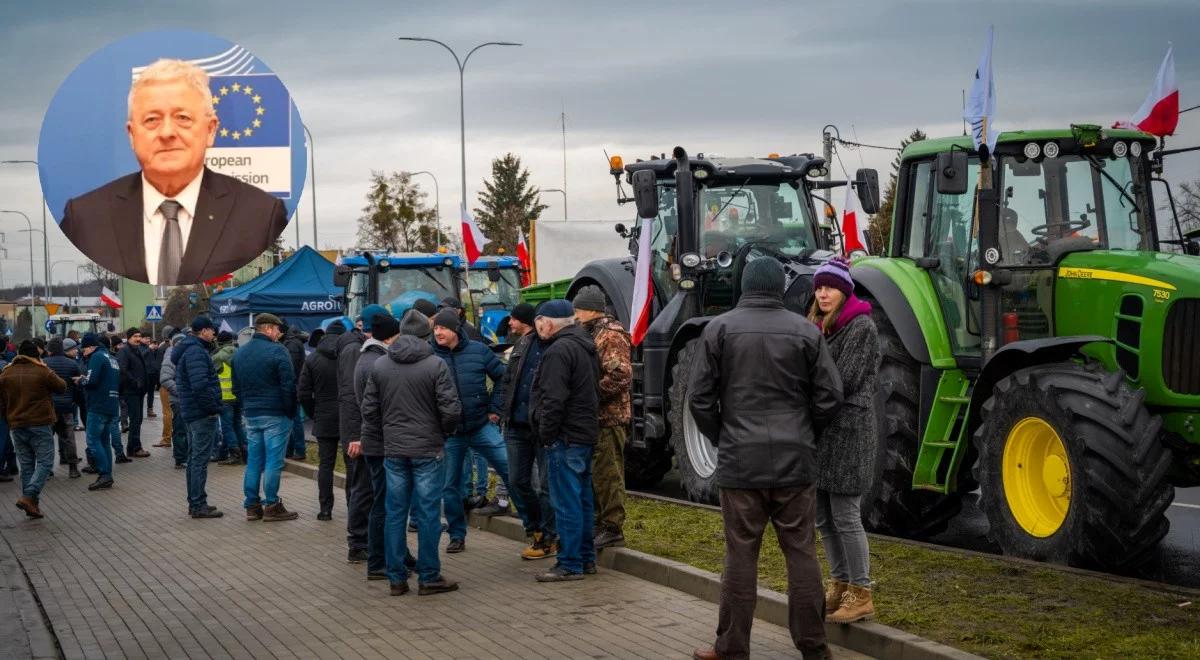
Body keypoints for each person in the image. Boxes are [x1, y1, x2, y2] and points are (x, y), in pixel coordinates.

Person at [688, 257, 844, 660]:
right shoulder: (806, 331)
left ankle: (732, 647)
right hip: (796, 462)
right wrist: (806, 433)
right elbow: (830, 395)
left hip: (741, 464)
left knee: (740, 555)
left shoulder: (718, 328)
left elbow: (699, 398)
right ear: (780, 288)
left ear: (744, 285)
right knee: (802, 553)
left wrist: (722, 435)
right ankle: (814, 646)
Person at [59, 58, 289, 285]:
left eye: (183, 118)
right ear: (131, 135)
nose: (167, 132)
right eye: (152, 119)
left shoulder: (260, 216)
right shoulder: (84, 218)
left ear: (210, 130)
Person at [360, 310, 462, 596]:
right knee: (428, 514)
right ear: (425, 335)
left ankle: (396, 578)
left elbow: (369, 411)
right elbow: (451, 409)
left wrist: (386, 437)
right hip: (428, 449)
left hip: (393, 451)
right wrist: (443, 433)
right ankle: (429, 576)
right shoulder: (435, 364)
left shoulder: (381, 365)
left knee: (395, 513)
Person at [807, 258, 880, 624]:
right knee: (823, 517)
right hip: (822, 434)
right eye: (819, 287)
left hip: (848, 433)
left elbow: (843, 380)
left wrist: (803, 389)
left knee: (847, 516)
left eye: (830, 287)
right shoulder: (818, 326)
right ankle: (839, 583)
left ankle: (861, 591)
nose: (822, 293)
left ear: (844, 291)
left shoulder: (860, 327)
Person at [431, 307, 520, 554]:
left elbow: (503, 377)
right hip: (450, 434)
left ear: (455, 330)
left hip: (481, 425)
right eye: (436, 327)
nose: (438, 332)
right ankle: (457, 535)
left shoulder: (478, 351)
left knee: (510, 471)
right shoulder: (430, 356)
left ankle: (534, 526)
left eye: (443, 328)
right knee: (450, 486)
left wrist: (495, 408)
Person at [529, 300, 600, 582]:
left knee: (567, 503)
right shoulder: (585, 345)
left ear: (547, 322)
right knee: (582, 500)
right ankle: (585, 558)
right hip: (583, 434)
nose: (537, 327)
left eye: (538, 321)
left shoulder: (558, 350)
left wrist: (546, 435)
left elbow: (553, 399)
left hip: (564, 437)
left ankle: (569, 563)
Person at [571, 285, 632, 550]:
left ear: (591, 310)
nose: (575, 314)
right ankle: (599, 522)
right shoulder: (590, 333)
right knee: (596, 474)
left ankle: (612, 526)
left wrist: (590, 395)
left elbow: (620, 376)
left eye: (578, 309)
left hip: (610, 416)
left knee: (609, 474)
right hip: (595, 417)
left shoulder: (611, 335)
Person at [498, 302, 557, 559]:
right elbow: (508, 379)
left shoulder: (557, 345)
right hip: (516, 424)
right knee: (517, 481)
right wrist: (503, 412)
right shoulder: (523, 343)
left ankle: (548, 536)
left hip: (542, 427)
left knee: (546, 485)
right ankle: (534, 527)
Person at [232, 313, 298, 522]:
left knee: (254, 461)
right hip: (275, 413)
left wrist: (246, 406)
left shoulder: (240, 353)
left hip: (251, 414)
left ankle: (252, 505)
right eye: (278, 329)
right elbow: (288, 385)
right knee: (273, 462)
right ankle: (271, 504)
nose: (280, 333)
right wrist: (289, 411)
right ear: (268, 328)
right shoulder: (278, 351)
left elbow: (236, 387)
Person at [351, 310, 401, 577]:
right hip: (380, 442)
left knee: (382, 501)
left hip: (375, 440)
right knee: (383, 504)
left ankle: (397, 554)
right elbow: (377, 408)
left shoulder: (368, 358)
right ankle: (379, 561)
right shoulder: (375, 363)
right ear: (391, 337)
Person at [339, 305, 386, 563]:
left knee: (362, 487)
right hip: (360, 432)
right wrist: (358, 435)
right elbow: (354, 397)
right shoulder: (358, 353)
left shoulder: (352, 348)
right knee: (363, 488)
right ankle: (358, 542)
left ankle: (361, 541)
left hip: (358, 430)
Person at [0, 340, 68, 518]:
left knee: (27, 465)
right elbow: (62, 387)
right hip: (39, 423)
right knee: (45, 462)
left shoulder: (6, 373)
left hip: (16, 425)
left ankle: (32, 505)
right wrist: (45, 367)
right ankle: (29, 495)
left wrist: (8, 419)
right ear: (36, 355)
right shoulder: (42, 370)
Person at [173, 317, 224, 519]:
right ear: (203, 331)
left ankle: (197, 501)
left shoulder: (189, 349)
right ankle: (197, 505)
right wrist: (213, 407)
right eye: (212, 330)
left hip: (193, 411)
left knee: (195, 458)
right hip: (201, 413)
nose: (214, 334)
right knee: (199, 460)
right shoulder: (195, 352)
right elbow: (200, 386)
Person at [299, 320, 343, 520]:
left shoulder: (313, 359)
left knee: (326, 464)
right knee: (354, 465)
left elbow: (303, 393)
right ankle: (355, 506)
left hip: (323, 415)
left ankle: (325, 509)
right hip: (348, 416)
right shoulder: (349, 355)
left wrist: (313, 413)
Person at [80, 333, 121, 491]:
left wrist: (81, 380)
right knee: (104, 441)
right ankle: (107, 474)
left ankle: (104, 474)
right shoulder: (111, 358)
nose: (83, 352)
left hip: (98, 405)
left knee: (93, 441)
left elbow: (91, 381)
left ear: (91, 347)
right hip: (111, 404)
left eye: (84, 349)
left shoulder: (97, 357)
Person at [44, 338, 83, 479]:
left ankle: (47, 470)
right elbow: (78, 386)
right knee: (69, 438)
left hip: (49, 408)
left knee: (47, 439)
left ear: (50, 350)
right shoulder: (72, 364)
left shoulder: (44, 364)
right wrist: (77, 402)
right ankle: (73, 469)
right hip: (67, 407)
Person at [117, 328, 151, 458]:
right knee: (136, 420)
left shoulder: (136, 350)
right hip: (131, 391)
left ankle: (132, 448)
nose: (138, 338)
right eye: (135, 336)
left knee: (138, 419)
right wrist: (135, 382)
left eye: (139, 336)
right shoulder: (124, 352)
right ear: (129, 338)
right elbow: (123, 370)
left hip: (138, 391)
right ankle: (135, 448)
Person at [159, 333, 190, 468]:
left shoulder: (186, 356)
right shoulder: (171, 358)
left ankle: (186, 455)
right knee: (180, 429)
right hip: (177, 400)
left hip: (187, 399)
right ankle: (180, 458)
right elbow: (165, 379)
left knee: (187, 429)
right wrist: (181, 391)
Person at [211, 331, 242, 463]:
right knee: (237, 425)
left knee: (227, 427)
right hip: (238, 395)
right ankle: (235, 452)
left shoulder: (217, 357)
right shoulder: (240, 354)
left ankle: (235, 453)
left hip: (224, 397)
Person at [281, 325, 309, 460]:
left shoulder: (291, 345)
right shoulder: (296, 343)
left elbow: (290, 369)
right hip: (296, 386)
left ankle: (298, 450)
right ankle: (292, 449)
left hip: (292, 387)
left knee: (294, 420)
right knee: (293, 419)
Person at [151, 332, 174, 447]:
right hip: (178, 384)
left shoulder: (165, 350)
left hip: (166, 385)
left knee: (167, 413)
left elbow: (158, 367)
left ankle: (166, 439)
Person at [144, 338, 160, 419]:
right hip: (145, 374)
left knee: (151, 393)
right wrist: (148, 349)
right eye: (146, 339)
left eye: (148, 339)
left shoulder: (153, 350)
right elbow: (142, 355)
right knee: (142, 392)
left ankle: (150, 409)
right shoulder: (142, 348)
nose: (148, 341)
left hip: (153, 373)